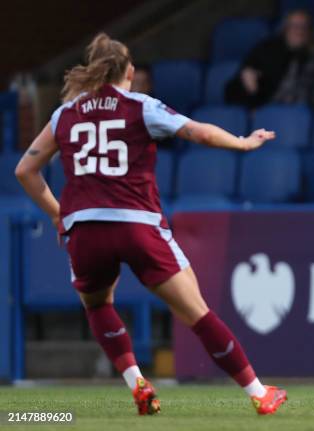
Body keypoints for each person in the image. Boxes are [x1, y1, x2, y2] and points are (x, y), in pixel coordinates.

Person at [14, 33, 287, 416]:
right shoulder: (140, 105)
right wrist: (242, 143)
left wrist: (58, 213)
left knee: (96, 304)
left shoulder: (65, 114)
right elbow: (198, 132)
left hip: (85, 230)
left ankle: (137, 383)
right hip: (136, 225)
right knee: (197, 312)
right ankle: (259, 392)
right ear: (130, 71)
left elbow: (25, 169)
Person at [225, 10, 314, 108]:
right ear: (285, 29)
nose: (299, 31)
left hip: (302, 109)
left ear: (310, 31)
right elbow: (236, 85)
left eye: (304, 27)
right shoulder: (267, 50)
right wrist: (251, 90)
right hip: (266, 106)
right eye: (294, 26)